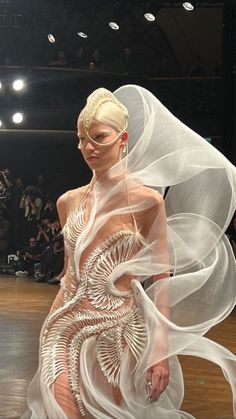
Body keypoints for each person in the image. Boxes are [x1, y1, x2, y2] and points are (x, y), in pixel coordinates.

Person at [23, 86, 236, 419]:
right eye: (81, 139)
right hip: (62, 330)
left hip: (120, 334)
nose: (87, 147)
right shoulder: (68, 202)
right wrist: (50, 323)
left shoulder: (148, 203)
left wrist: (160, 349)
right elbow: (70, 277)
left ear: (123, 140)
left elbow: (162, 278)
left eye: (97, 136)